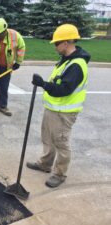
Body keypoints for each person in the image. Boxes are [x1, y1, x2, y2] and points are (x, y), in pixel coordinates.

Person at [27, 24, 91, 188]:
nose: (55, 46)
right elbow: (58, 81)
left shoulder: (76, 65)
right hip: (53, 109)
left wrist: (43, 84)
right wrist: (46, 84)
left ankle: (60, 174)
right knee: (48, 139)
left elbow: (63, 90)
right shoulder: (66, 60)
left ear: (67, 42)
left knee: (61, 143)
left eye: (57, 43)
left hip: (64, 113)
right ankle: (45, 164)